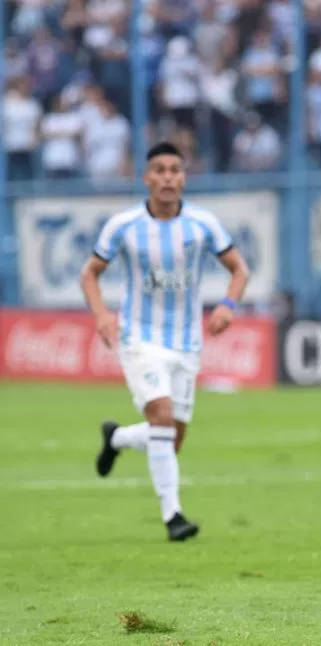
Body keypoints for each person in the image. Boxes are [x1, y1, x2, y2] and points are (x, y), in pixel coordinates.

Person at [79, 142, 251, 542]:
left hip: (187, 343)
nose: (168, 177)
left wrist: (227, 305)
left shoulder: (203, 224)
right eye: (159, 170)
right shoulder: (123, 225)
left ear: (183, 178)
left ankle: (117, 438)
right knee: (160, 414)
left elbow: (239, 269)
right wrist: (102, 315)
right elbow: (90, 273)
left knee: (171, 438)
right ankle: (173, 516)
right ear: (147, 178)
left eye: (175, 169)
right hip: (139, 337)